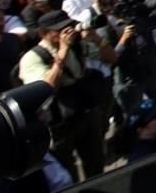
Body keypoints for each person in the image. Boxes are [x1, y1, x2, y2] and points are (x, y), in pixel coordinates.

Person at [17, 9, 108, 181]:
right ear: (43, 33)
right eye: (60, 30)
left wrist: (96, 38)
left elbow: (111, 58)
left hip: (86, 113)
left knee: (96, 164)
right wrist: (63, 51)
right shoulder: (32, 58)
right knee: (67, 174)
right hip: (59, 124)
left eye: (69, 26)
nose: (67, 32)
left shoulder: (78, 46)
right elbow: (46, 89)